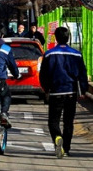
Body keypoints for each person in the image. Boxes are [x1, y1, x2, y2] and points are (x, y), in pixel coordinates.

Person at [39, 26, 88, 158]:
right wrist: (83, 90)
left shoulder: (49, 54)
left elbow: (43, 74)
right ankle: (65, 148)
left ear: (56, 37)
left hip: (55, 92)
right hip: (71, 91)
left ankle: (57, 137)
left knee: (53, 121)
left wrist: (46, 89)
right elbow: (83, 74)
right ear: (68, 37)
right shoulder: (76, 54)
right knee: (68, 121)